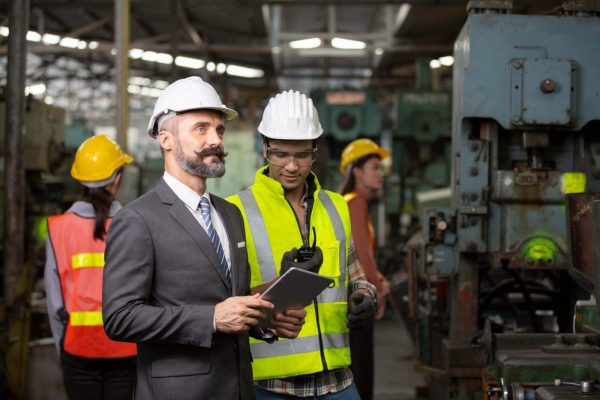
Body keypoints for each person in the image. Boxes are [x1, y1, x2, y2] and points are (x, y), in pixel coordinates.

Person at [102, 76, 306, 400]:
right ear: (166, 140)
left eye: (219, 130)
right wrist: (210, 318)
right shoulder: (138, 219)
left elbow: (233, 302)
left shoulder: (230, 214)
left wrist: (265, 322)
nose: (216, 140)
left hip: (238, 387)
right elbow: (120, 318)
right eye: (201, 129)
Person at [227, 90, 377, 399]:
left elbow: (356, 277)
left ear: (315, 152)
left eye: (302, 155)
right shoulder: (235, 212)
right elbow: (225, 299)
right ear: (265, 149)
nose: (292, 166)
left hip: (337, 382)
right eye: (280, 154)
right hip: (270, 385)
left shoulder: (336, 207)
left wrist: (364, 296)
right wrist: (277, 288)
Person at [45, 134, 137, 400]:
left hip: (78, 349)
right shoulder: (135, 224)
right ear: (117, 179)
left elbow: (54, 304)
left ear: (79, 181)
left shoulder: (58, 228)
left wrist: (63, 348)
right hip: (126, 349)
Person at [339, 138, 391, 400]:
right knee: (360, 374)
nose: (380, 174)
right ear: (356, 171)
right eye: (374, 167)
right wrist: (377, 287)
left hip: (349, 296)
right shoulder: (355, 202)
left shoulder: (346, 200)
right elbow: (361, 253)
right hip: (357, 298)